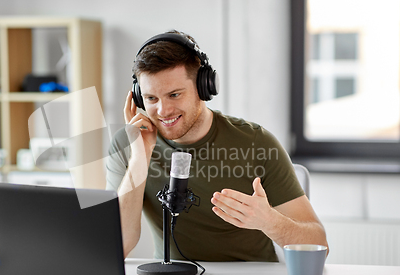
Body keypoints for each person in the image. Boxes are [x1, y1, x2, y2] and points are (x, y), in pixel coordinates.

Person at [106, 30, 328, 262]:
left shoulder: (256, 143)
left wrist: (269, 221)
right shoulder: (129, 144)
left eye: (174, 94)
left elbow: (319, 244)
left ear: (204, 88)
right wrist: (139, 157)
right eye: (151, 98)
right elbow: (117, 247)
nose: (163, 111)